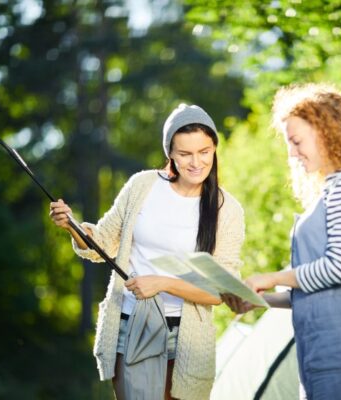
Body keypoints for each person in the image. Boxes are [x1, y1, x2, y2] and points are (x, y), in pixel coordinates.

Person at [50, 104, 244, 400]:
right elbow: (102, 242)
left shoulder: (226, 209)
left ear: (215, 149)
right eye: (185, 154)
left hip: (186, 338)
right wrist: (72, 225)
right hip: (130, 324)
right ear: (170, 154)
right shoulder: (142, 186)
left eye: (204, 152)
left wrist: (162, 283)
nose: (196, 163)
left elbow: (222, 291)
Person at [223, 83, 341, 399]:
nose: (291, 152)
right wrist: (259, 299)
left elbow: (337, 269)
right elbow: (315, 288)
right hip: (323, 349)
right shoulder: (331, 191)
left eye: (296, 140)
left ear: (327, 131)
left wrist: (271, 277)